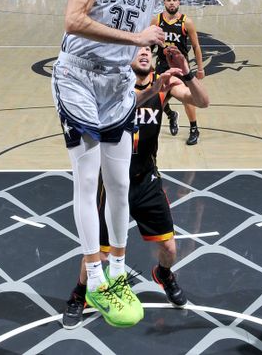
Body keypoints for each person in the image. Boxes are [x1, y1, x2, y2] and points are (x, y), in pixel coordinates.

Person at [52, 0, 262, 328]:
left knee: (118, 184)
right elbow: (73, 21)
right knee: (88, 178)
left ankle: (117, 272)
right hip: (77, 76)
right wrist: (137, 37)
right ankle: (94, 280)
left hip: (116, 82)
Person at [62, 45, 209, 329]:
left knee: (169, 247)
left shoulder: (166, 83)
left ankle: (164, 274)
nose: (143, 53)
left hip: (146, 179)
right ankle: (80, 294)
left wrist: (188, 74)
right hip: (114, 181)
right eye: (136, 49)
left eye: (146, 50)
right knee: (98, 253)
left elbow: (203, 102)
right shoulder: (115, 83)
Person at [152, 0, 205, 145]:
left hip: (181, 68)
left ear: (179, 1)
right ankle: (171, 115)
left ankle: (194, 129)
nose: (172, 3)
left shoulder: (186, 22)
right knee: (156, 101)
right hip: (162, 67)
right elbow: (149, 45)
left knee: (187, 99)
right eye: (169, 0)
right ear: (164, 2)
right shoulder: (157, 20)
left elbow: (196, 46)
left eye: (174, 0)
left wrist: (200, 69)